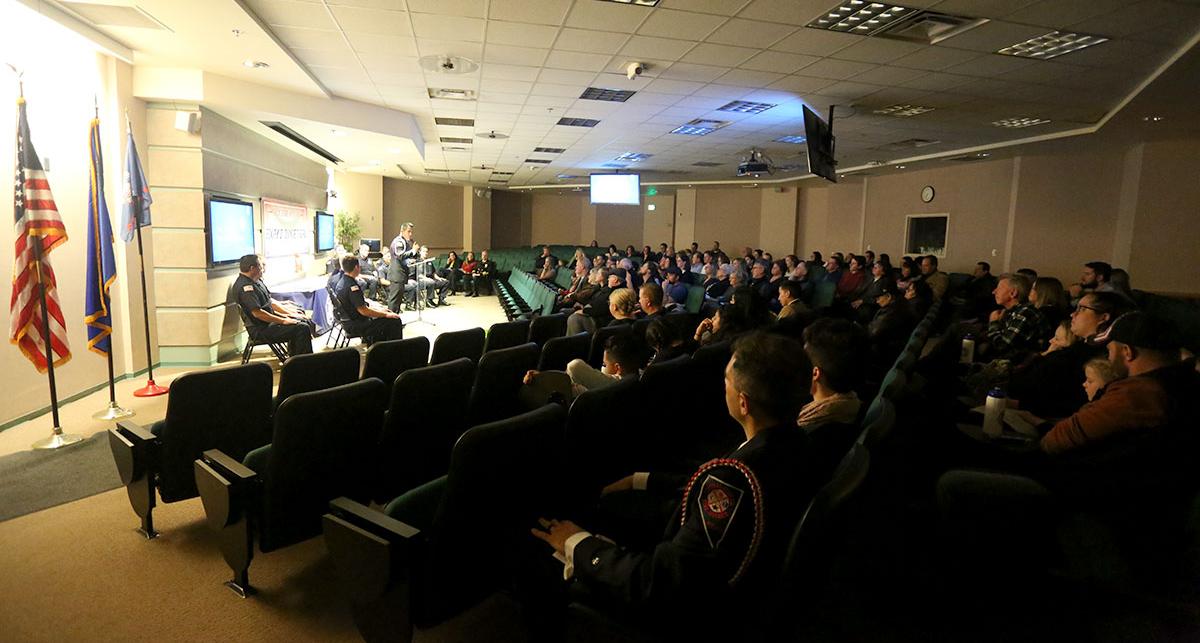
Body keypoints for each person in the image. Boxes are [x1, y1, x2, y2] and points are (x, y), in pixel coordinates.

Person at [528, 332, 821, 642]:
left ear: (743, 403)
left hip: (692, 614)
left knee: (537, 558)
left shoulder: (733, 479)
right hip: (743, 582)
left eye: (727, 381)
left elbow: (657, 583)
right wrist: (642, 479)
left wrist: (577, 542)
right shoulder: (798, 443)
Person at [1007, 292, 1129, 420]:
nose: (1073, 314)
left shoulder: (1100, 357)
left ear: (1103, 318)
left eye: (1082, 309)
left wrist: (1018, 404)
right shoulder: (1077, 346)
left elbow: (1071, 402)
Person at [232, 254, 313, 357]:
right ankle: (302, 362)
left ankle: (295, 358)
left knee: (301, 321)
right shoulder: (245, 287)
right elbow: (258, 314)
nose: (262, 269)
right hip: (260, 329)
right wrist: (283, 320)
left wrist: (289, 315)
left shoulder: (256, 281)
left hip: (267, 324)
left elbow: (269, 304)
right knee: (302, 328)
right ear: (252, 268)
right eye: (260, 266)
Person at [333, 256, 405, 345]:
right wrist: (385, 314)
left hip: (347, 321)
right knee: (394, 320)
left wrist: (379, 310)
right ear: (356, 267)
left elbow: (359, 305)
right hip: (356, 324)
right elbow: (364, 311)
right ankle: (394, 349)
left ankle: (377, 346)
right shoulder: (352, 286)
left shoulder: (341, 282)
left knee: (383, 313)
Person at [984, 274, 1045, 360]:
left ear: (1013, 293)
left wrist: (993, 322)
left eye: (999, 288)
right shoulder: (1012, 311)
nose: (994, 292)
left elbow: (1002, 346)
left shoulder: (1024, 313)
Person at [387, 222, 426, 312]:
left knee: (398, 301)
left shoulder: (405, 242)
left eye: (411, 232)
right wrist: (413, 251)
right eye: (408, 231)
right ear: (402, 231)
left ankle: (395, 322)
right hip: (396, 275)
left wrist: (415, 252)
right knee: (394, 301)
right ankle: (389, 323)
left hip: (401, 275)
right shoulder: (399, 241)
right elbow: (400, 255)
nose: (410, 234)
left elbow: (411, 255)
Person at [566, 271, 620, 335]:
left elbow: (599, 309)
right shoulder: (602, 289)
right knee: (567, 313)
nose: (608, 279)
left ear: (615, 279)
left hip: (599, 321)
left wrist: (584, 311)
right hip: (593, 313)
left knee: (574, 318)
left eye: (611, 277)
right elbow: (593, 302)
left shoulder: (613, 292)